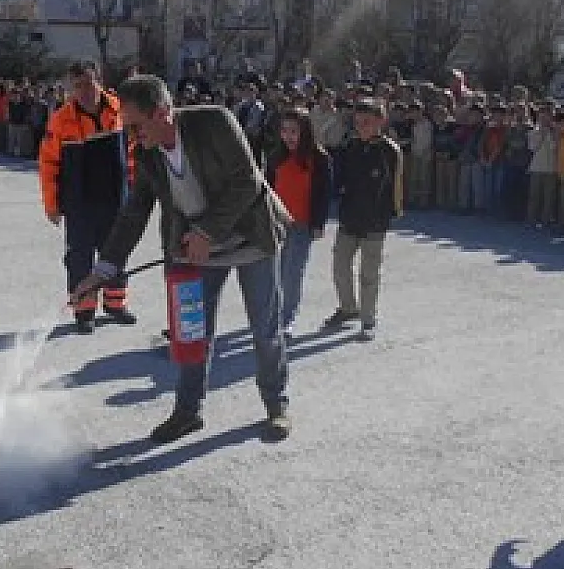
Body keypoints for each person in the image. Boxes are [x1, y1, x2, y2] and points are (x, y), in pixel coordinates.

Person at [70, 74, 292, 444]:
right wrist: (102, 270)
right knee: (191, 333)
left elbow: (247, 180)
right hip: (194, 251)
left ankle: (276, 405)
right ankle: (188, 412)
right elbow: (134, 212)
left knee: (265, 330)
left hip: (251, 238)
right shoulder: (147, 153)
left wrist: (207, 232)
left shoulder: (215, 121)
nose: (132, 136)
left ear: (162, 114)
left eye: (136, 126)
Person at [40, 60, 138, 334]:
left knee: (116, 253)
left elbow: (132, 152)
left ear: (100, 81)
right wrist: (52, 205)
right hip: (79, 204)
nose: (84, 91)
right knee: (80, 257)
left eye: (89, 83)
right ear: (72, 88)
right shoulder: (60, 120)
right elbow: (49, 164)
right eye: (78, 86)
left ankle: (115, 303)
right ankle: (84, 311)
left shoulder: (119, 109)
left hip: (115, 200)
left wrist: (135, 189)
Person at [323, 99, 403, 342]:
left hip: (375, 220)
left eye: (367, 122)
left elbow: (396, 187)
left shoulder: (389, 150)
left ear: (381, 121)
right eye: (358, 122)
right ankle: (348, 307)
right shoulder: (350, 146)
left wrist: (391, 214)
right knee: (340, 265)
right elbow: (339, 177)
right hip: (349, 216)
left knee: (369, 272)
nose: (362, 126)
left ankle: (368, 318)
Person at [267, 108, 333, 340]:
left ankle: (287, 320)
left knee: (293, 274)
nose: (288, 136)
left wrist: (319, 223)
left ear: (305, 132)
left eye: (294, 131)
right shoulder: (276, 156)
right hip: (277, 223)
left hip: (302, 224)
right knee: (275, 272)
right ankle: (273, 315)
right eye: (284, 131)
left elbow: (324, 194)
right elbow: (267, 190)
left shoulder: (319, 158)